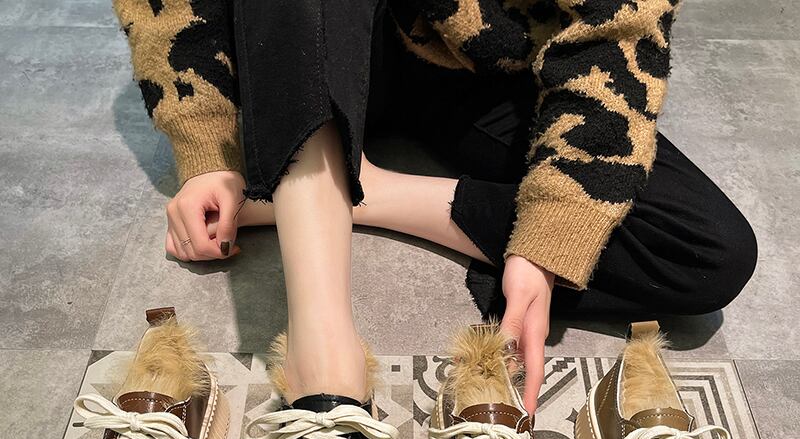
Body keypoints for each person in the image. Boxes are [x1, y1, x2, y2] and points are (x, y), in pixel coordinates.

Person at [113, 0, 757, 413]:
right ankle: (324, 362)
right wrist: (208, 147)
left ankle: (345, 190)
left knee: (707, 251)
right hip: (290, 45)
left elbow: (617, 29)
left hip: (473, 64)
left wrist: (548, 235)